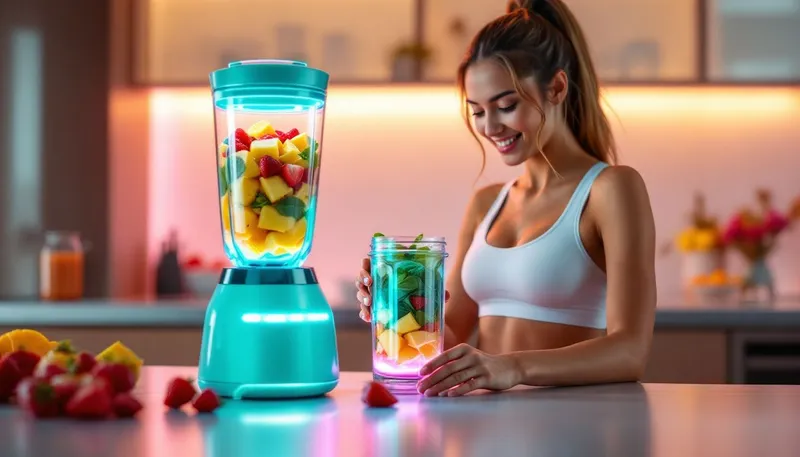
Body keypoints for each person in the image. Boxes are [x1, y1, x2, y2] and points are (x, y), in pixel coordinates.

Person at [356, 0, 657, 397]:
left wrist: (512, 366)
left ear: (557, 87)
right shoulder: (487, 203)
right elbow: (447, 338)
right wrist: (399, 308)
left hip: (577, 425)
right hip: (487, 425)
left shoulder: (611, 189)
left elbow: (629, 351)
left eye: (506, 105)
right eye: (477, 111)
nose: (490, 126)